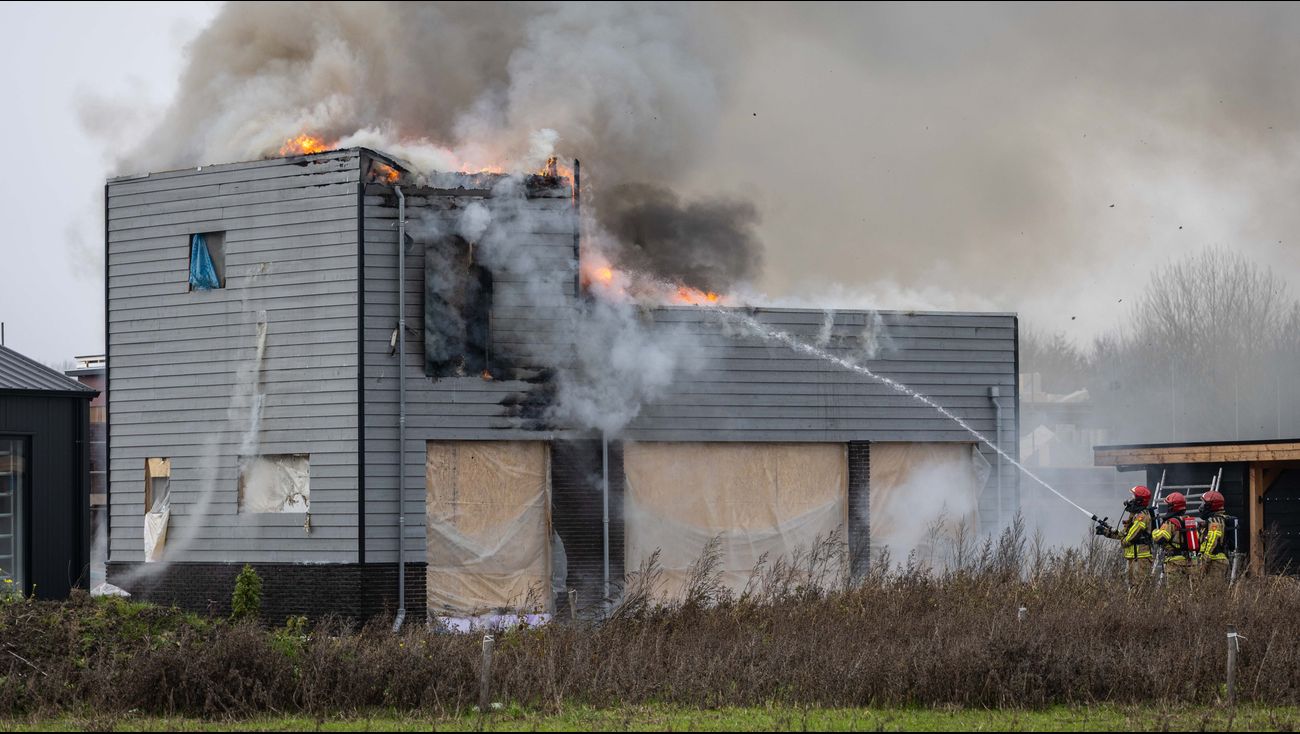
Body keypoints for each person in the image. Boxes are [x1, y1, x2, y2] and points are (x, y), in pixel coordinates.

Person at [1096, 485, 1155, 585]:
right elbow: (1124, 533)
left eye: (1133, 497)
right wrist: (1106, 532)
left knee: (1139, 588)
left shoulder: (1142, 516)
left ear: (1139, 500)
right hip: (1134, 557)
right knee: (1132, 587)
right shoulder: (1135, 515)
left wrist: (1123, 542)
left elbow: (1131, 536)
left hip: (1141, 558)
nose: (1130, 499)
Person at [1151, 492, 1200, 582]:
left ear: (1172, 507)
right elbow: (1197, 540)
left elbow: (1161, 538)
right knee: (1190, 592)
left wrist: (1154, 531)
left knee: (1174, 593)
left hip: (1175, 562)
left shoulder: (1171, 522)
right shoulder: (1189, 521)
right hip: (1191, 562)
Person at [1198, 490, 1236, 581]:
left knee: (1212, 593)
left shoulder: (1215, 521)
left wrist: (1204, 561)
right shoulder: (1214, 520)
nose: (1201, 507)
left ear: (1211, 505)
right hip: (1214, 561)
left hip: (1215, 562)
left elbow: (1212, 541)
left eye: (1204, 504)